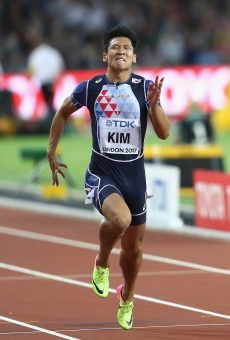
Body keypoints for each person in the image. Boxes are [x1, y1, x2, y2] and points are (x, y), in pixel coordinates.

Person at [46, 25, 170, 330]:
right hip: (101, 173)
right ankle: (101, 261)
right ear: (105, 54)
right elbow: (62, 112)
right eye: (115, 47)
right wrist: (51, 152)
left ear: (135, 56)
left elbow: (165, 133)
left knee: (134, 250)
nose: (122, 52)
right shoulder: (90, 88)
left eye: (127, 48)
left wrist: (153, 106)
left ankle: (127, 297)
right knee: (120, 219)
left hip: (134, 177)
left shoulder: (144, 88)